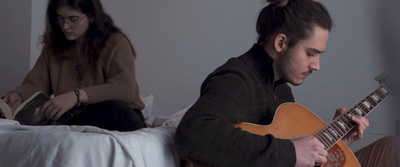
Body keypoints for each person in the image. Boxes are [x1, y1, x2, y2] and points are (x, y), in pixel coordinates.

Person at [174, 0, 369, 166]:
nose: (317, 65)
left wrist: (338, 144)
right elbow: (193, 133)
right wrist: (290, 152)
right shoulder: (237, 77)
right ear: (281, 43)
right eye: (310, 53)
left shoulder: (282, 90)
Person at [1, 0, 146, 132]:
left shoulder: (115, 42)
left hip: (116, 114)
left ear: (91, 16)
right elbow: (36, 84)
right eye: (60, 18)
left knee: (113, 109)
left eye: (73, 19)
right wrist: (18, 95)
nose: (65, 26)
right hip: (74, 118)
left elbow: (125, 88)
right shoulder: (53, 47)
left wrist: (77, 96)